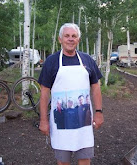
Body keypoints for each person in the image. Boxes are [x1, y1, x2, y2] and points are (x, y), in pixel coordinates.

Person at [38, 23, 104, 165]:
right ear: (60, 39)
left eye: (74, 36)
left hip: (84, 121)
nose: (70, 39)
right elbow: (44, 93)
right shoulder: (51, 61)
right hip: (61, 122)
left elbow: (96, 87)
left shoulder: (87, 60)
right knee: (63, 161)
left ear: (78, 40)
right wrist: (43, 120)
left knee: (85, 159)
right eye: (66, 36)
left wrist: (98, 112)